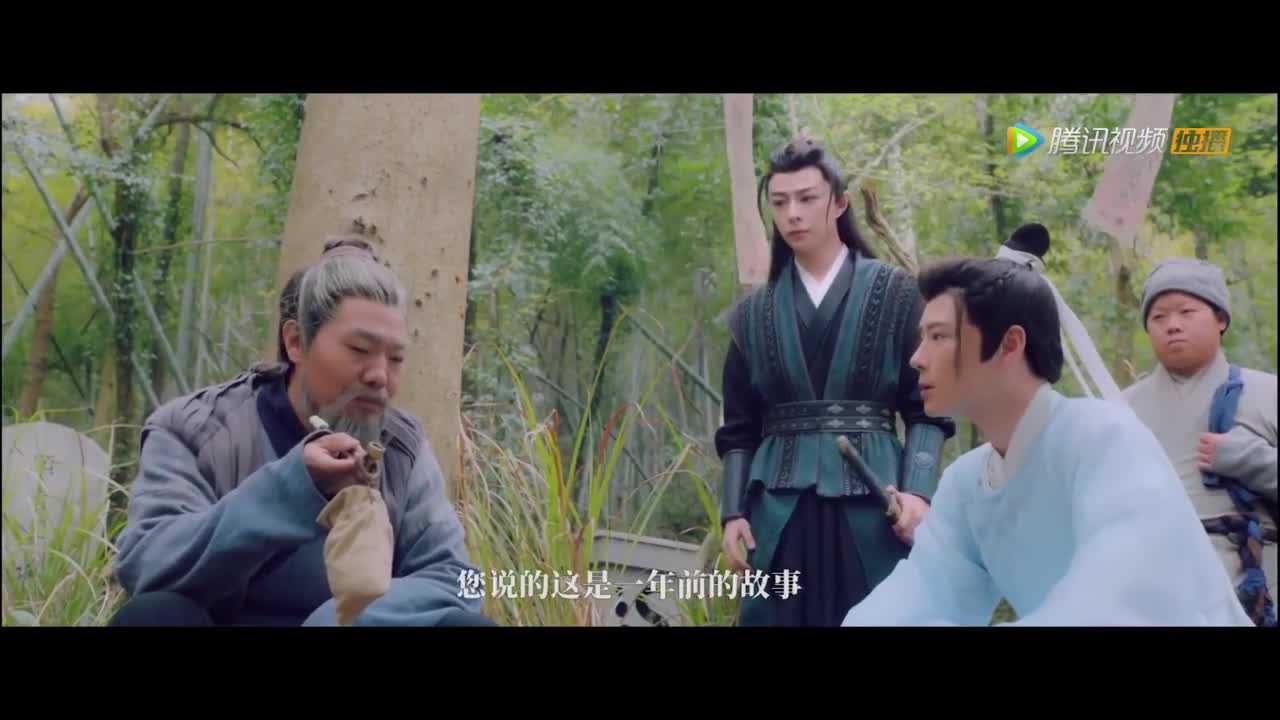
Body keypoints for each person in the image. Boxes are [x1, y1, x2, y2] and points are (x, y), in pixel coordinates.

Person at [840, 255, 1252, 626]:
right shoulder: (966, 484)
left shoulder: (1104, 439)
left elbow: (1118, 599)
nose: (917, 358)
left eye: (938, 337)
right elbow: (919, 597)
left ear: (1010, 344)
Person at [110, 237, 494, 627]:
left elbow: (458, 581)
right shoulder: (198, 429)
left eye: (395, 358)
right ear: (296, 341)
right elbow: (147, 564)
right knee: (153, 616)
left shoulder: (400, 447)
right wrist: (292, 488)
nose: (380, 376)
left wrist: (348, 617)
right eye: (360, 350)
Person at [715, 137, 955, 626]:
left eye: (807, 198)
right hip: (778, 511)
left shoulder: (898, 296)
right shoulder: (752, 316)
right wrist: (733, 513)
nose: (792, 214)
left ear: (840, 203)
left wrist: (917, 494)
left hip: (876, 504)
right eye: (779, 202)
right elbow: (738, 428)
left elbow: (929, 408)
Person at [1122, 257, 1277, 626]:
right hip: (1158, 590)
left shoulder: (1268, 392)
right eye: (1158, 317)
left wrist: (1252, 460)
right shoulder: (1121, 410)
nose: (1172, 325)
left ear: (1220, 319)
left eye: (1186, 312)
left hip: (1259, 586)